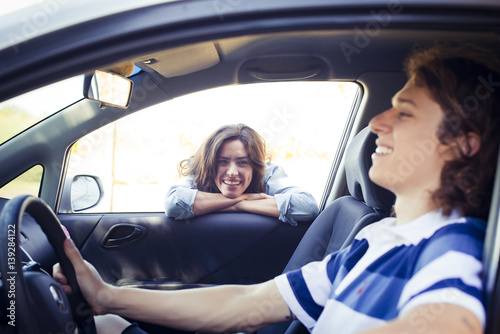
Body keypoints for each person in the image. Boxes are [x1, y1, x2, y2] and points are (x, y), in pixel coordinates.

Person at [54, 43, 500, 334]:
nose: (375, 123)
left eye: (404, 113)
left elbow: (451, 322)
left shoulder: (453, 244)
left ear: (462, 144)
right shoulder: (375, 238)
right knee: (109, 322)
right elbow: (249, 301)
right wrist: (107, 295)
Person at [164, 123, 319, 226]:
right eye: (223, 162)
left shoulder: (268, 174)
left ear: (255, 165)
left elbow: (307, 206)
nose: (232, 172)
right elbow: (173, 203)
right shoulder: (202, 174)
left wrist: (237, 205)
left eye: (242, 162)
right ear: (210, 163)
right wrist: (242, 199)